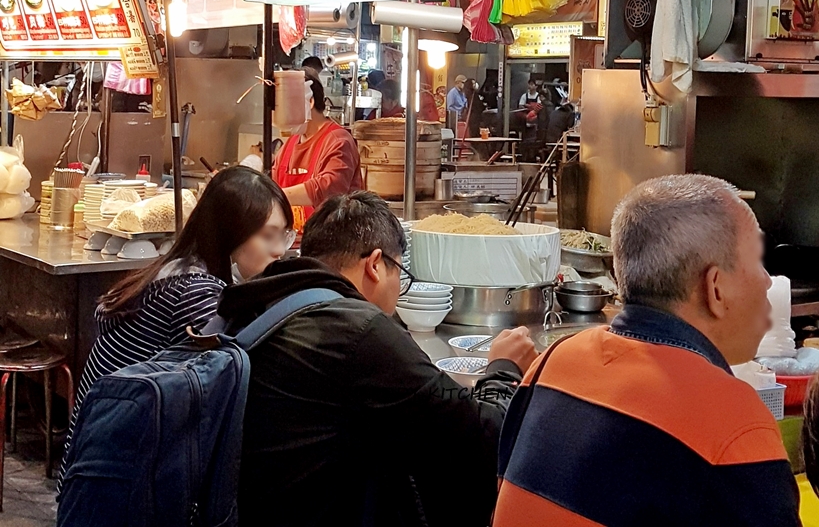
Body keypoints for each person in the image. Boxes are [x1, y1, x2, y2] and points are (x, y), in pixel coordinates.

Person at [494, 174, 800, 527]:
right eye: (757, 261)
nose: (767, 280)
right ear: (715, 287)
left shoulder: (554, 360)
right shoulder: (735, 422)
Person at [217, 191, 537, 527]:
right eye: (400, 272)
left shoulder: (261, 299)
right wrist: (504, 368)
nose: (399, 288)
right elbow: (484, 440)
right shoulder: (358, 330)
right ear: (374, 265)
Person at [62, 167, 293, 475]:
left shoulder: (181, 267)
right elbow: (232, 380)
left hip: (97, 461)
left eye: (284, 235)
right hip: (114, 475)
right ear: (231, 234)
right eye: (268, 236)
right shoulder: (195, 290)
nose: (279, 251)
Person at [273, 72, 363, 210]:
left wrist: (275, 198)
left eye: (287, 106)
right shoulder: (290, 143)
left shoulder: (338, 141)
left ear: (310, 102)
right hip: (294, 231)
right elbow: (274, 180)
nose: (283, 114)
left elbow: (329, 188)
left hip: (334, 230)